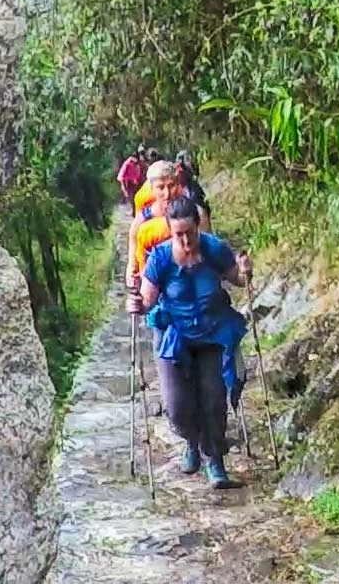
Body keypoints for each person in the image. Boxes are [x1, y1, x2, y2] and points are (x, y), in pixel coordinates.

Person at [129, 195, 251, 488]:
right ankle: (191, 441)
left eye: (190, 233)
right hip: (176, 335)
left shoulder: (213, 250)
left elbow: (237, 279)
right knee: (177, 407)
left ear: (199, 227)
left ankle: (215, 460)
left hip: (213, 333)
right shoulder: (160, 258)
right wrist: (135, 304)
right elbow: (147, 299)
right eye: (178, 234)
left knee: (213, 399)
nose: (185, 240)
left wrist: (246, 270)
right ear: (170, 231)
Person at [127, 161, 211, 290]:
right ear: (152, 189)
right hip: (153, 282)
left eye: (171, 186)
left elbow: (207, 246)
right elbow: (133, 251)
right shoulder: (142, 219)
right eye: (160, 187)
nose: (167, 194)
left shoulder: (196, 212)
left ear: (178, 184)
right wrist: (132, 272)